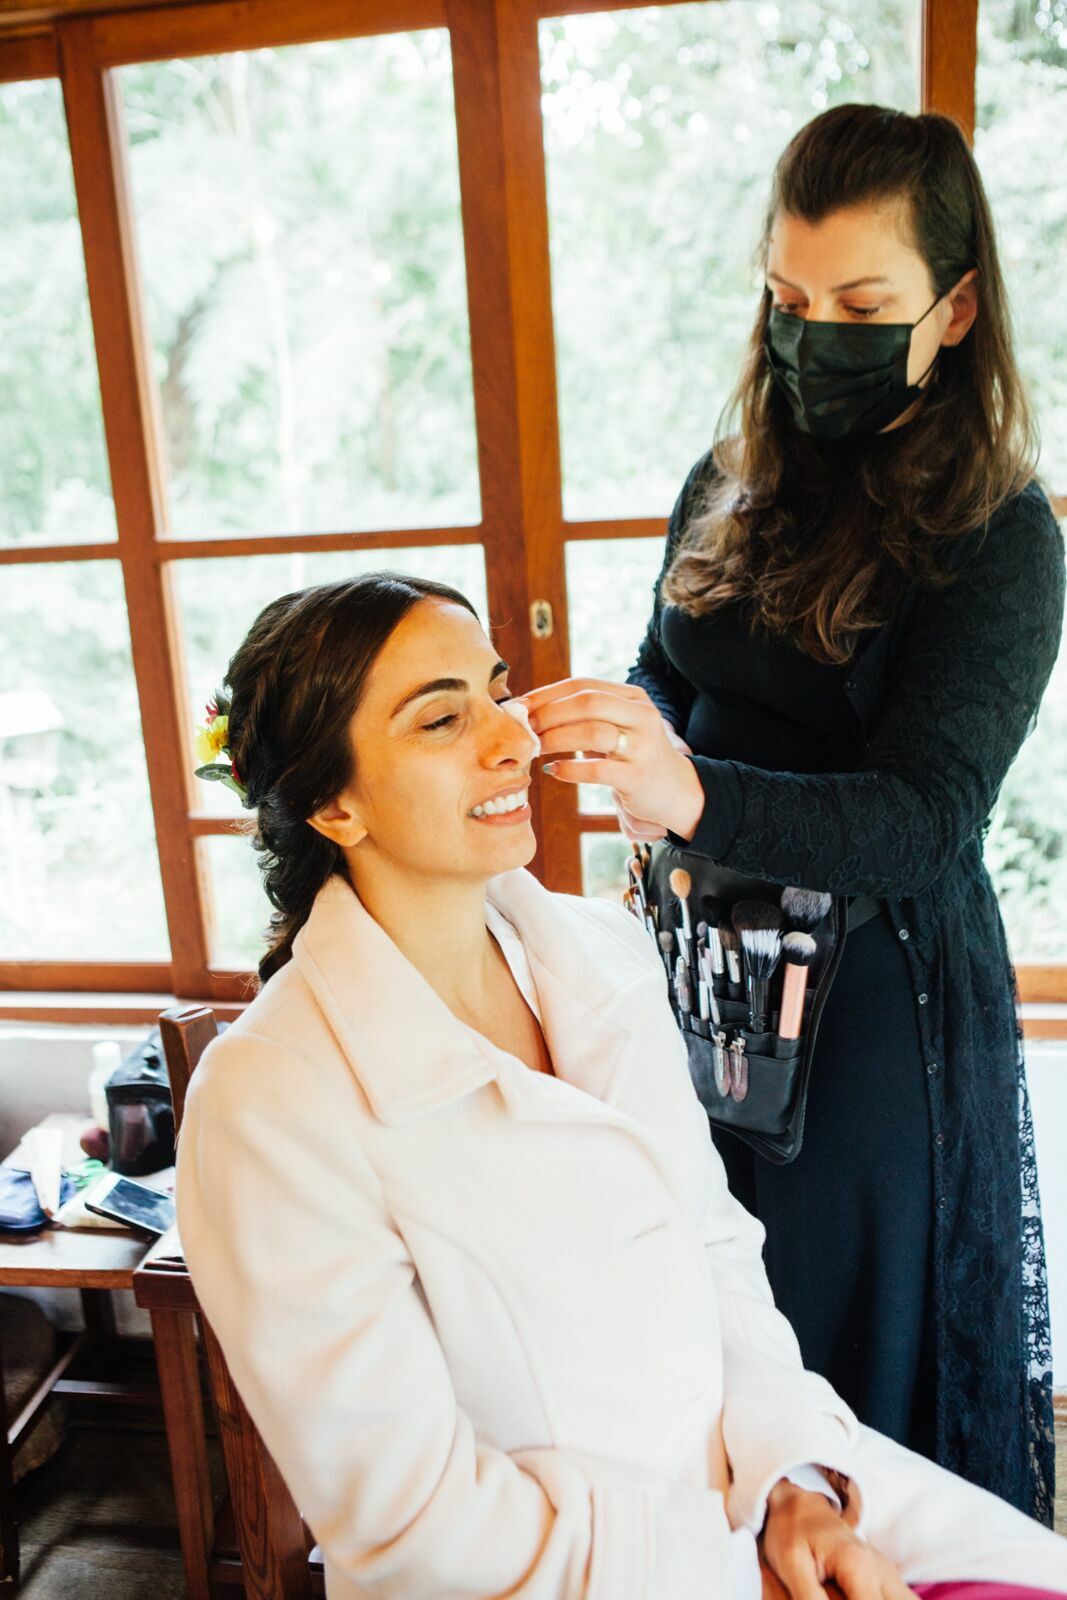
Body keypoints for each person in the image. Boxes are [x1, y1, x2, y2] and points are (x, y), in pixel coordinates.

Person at [176, 572, 1067, 1600]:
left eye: (496, 690)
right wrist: (729, 1573)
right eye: (440, 719)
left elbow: (715, 1250)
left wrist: (794, 1483)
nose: (512, 738)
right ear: (333, 803)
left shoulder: (599, 952)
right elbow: (414, 1524)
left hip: (763, 1491)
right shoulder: (269, 1103)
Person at [520, 104, 1065, 1522]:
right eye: (784, 299)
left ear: (950, 311)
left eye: (859, 306)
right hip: (701, 981)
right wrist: (625, 732)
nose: (811, 334)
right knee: (702, 1342)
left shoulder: (998, 536)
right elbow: (666, 665)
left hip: (871, 1028)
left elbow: (921, 820)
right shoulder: (726, 480)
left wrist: (691, 791)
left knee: (836, 1380)